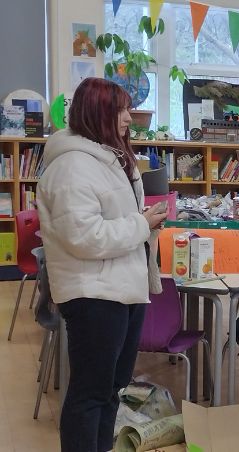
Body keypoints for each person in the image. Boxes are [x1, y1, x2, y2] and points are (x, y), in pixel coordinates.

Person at [37, 77, 168, 452]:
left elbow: (109, 218)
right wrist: (142, 224)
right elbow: (85, 237)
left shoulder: (109, 157)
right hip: (93, 294)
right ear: (99, 114)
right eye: (121, 110)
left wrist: (140, 220)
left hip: (122, 289)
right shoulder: (72, 166)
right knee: (91, 392)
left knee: (112, 389)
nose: (129, 117)